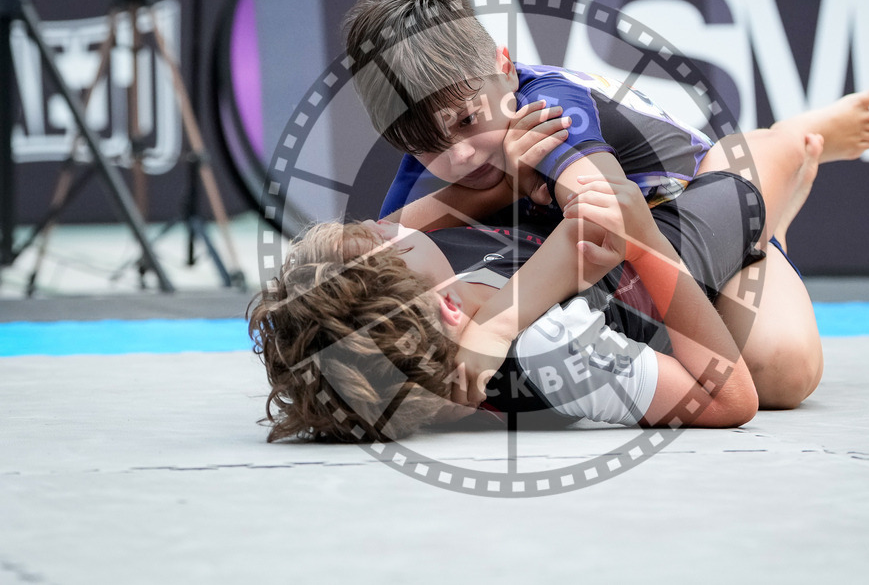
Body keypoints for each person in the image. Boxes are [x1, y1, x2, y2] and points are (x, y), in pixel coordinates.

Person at [341, 0, 869, 409]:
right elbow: (383, 246)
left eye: (468, 120)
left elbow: (607, 215)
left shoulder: (546, 106)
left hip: (691, 191)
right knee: (764, 367)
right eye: (427, 146)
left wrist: (495, 326)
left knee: (784, 373)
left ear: (506, 68)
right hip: (628, 270)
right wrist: (501, 187)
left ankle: (790, 143)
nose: (458, 155)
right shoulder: (437, 141)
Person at [249, 117, 836, 443]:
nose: (390, 224)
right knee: (785, 367)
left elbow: (524, 200)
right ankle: (772, 212)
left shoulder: (397, 321)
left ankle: (774, 167)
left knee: (569, 185)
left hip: (556, 218)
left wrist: (520, 172)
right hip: (653, 251)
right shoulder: (551, 348)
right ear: (452, 310)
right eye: (387, 237)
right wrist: (646, 240)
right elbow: (730, 400)